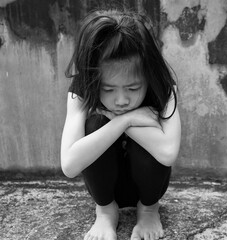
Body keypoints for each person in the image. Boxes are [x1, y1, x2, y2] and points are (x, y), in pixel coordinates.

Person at [60, 8, 181, 240]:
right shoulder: (82, 90)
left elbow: (167, 153)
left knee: (151, 131)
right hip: (105, 188)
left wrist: (125, 121)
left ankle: (148, 210)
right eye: (108, 89)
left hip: (148, 187)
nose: (122, 100)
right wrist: (124, 119)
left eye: (133, 88)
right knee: (95, 123)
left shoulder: (162, 86)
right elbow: (69, 164)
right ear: (94, 80)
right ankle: (106, 212)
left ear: (148, 75)